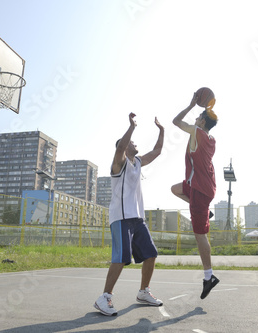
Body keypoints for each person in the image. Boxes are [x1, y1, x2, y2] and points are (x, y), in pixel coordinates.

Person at [94, 112, 164, 316]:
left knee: (151, 254)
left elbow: (158, 151)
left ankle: (143, 292)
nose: (134, 143)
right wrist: (131, 127)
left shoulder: (138, 162)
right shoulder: (119, 164)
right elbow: (120, 148)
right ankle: (104, 297)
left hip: (137, 218)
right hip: (120, 218)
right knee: (121, 258)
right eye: (130, 142)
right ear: (124, 148)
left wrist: (162, 131)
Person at [171, 92, 219, 299]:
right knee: (175, 189)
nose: (195, 120)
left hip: (199, 191)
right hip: (201, 186)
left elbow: (176, 121)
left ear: (201, 121)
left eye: (197, 117)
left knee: (200, 235)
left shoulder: (197, 133)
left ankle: (209, 276)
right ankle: (205, 213)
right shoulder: (211, 138)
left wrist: (191, 104)